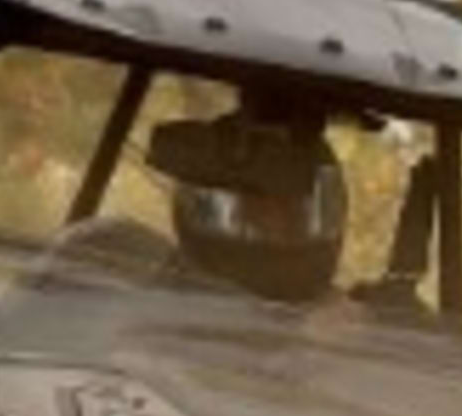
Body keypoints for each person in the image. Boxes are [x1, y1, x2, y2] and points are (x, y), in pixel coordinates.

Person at [143, 89, 351, 304]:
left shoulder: (344, 324)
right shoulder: (152, 294)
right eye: (255, 209)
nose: (274, 224)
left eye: (291, 214)